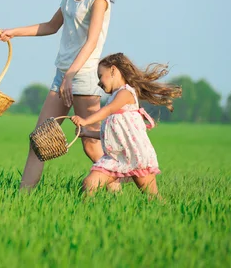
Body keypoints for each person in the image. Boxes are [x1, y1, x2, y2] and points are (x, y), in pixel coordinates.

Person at [0, 0, 143, 190]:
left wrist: (70, 76)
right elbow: (51, 26)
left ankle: (118, 191)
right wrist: (13, 32)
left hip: (85, 78)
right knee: (39, 139)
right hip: (62, 75)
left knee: (91, 143)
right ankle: (21, 198)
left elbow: (91, 42)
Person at [70, 53, 182, 198]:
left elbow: (108, 110)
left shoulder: (125, 93)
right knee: (89, 184)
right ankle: (86, 215)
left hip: (135, 155)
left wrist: (86, 121)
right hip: (115, 158)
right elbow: (110, 133)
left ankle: (166, 213)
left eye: (100, 76)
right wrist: (87, 133)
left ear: (113, 70)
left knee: (152, 196)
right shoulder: (112, 99)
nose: (99, 82)